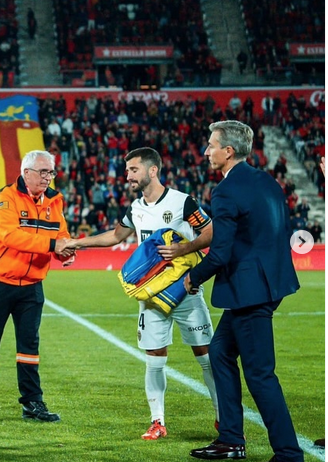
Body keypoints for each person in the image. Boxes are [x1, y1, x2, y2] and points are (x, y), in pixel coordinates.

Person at [67, 147, 219, 439]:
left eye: (133, 170)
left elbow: (211, 231)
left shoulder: (182, 202)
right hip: (150, 298)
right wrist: (78, 242)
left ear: (152, 171)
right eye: (127, 171)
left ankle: (221, 418)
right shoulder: (135, 208)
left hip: (185, 291)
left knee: (206, 357)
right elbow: (116, 235)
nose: (127, 176)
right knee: (154, 358)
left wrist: (183, 248)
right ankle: (157, 421)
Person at [187, 121, 305, 462]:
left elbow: (220, 253)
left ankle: (288, 454)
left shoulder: (225, 191)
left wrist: (192, 278)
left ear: (228, 151)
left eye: (211, 145)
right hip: (271, 283)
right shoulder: (268, 181)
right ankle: (230, 439)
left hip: (250, 291)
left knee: (260, 374)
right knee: (221, 351)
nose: (206, 151)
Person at [0, 150, 74, 423]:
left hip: (32, 284)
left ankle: (32, 403)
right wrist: (52, 246)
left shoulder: (54, 201)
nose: (48, 178)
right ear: (26, 173)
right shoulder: (6, 198)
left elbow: (60, 232)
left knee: (30, 346)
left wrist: (66, 249)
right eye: (43, 172)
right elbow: (11, 236)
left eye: (51, 172)